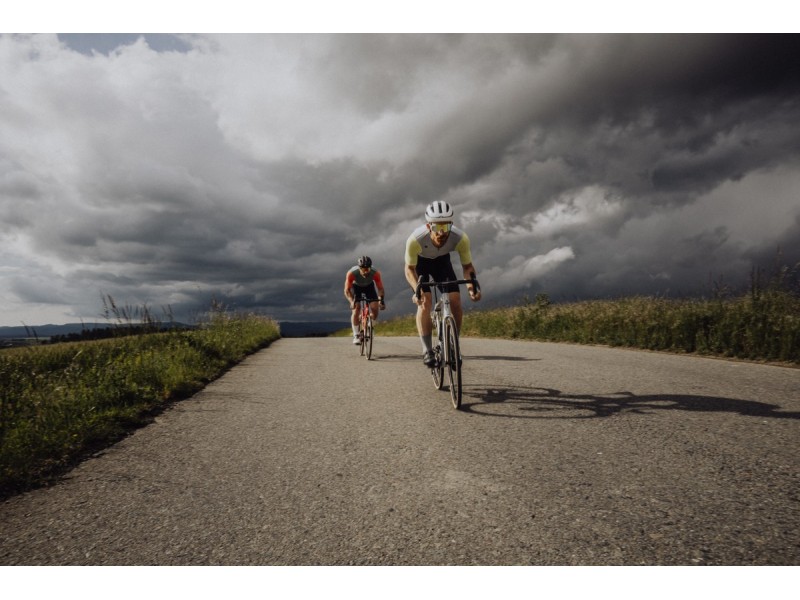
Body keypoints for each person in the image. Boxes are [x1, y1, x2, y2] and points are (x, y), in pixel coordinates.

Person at [404, 201, 481, 366]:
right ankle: (427, 350)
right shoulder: (415, 239)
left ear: (451, 225)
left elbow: (467, 267)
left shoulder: (460, 238)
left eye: (445, 227)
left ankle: (453, 344)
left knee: (455, 301)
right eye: (436, 227)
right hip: (420, 265)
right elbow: (409, 269)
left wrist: (471, 288)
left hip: (442, 263)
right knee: (425, 302)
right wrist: (416, 291)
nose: (441, 232)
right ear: (428, 226)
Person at [344, 256, 386, 344]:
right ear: (359, 268)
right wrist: (351, 301)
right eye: (363, 269)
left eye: (368, 269)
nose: (366, 271)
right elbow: (347, 290)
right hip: (356, 287)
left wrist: (381, 300)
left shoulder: (375, 273)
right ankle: (356, 334)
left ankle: (370, 326)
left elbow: (380, 289)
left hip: (369, 287)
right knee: (356, 308)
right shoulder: (352, 273)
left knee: (375, 308)